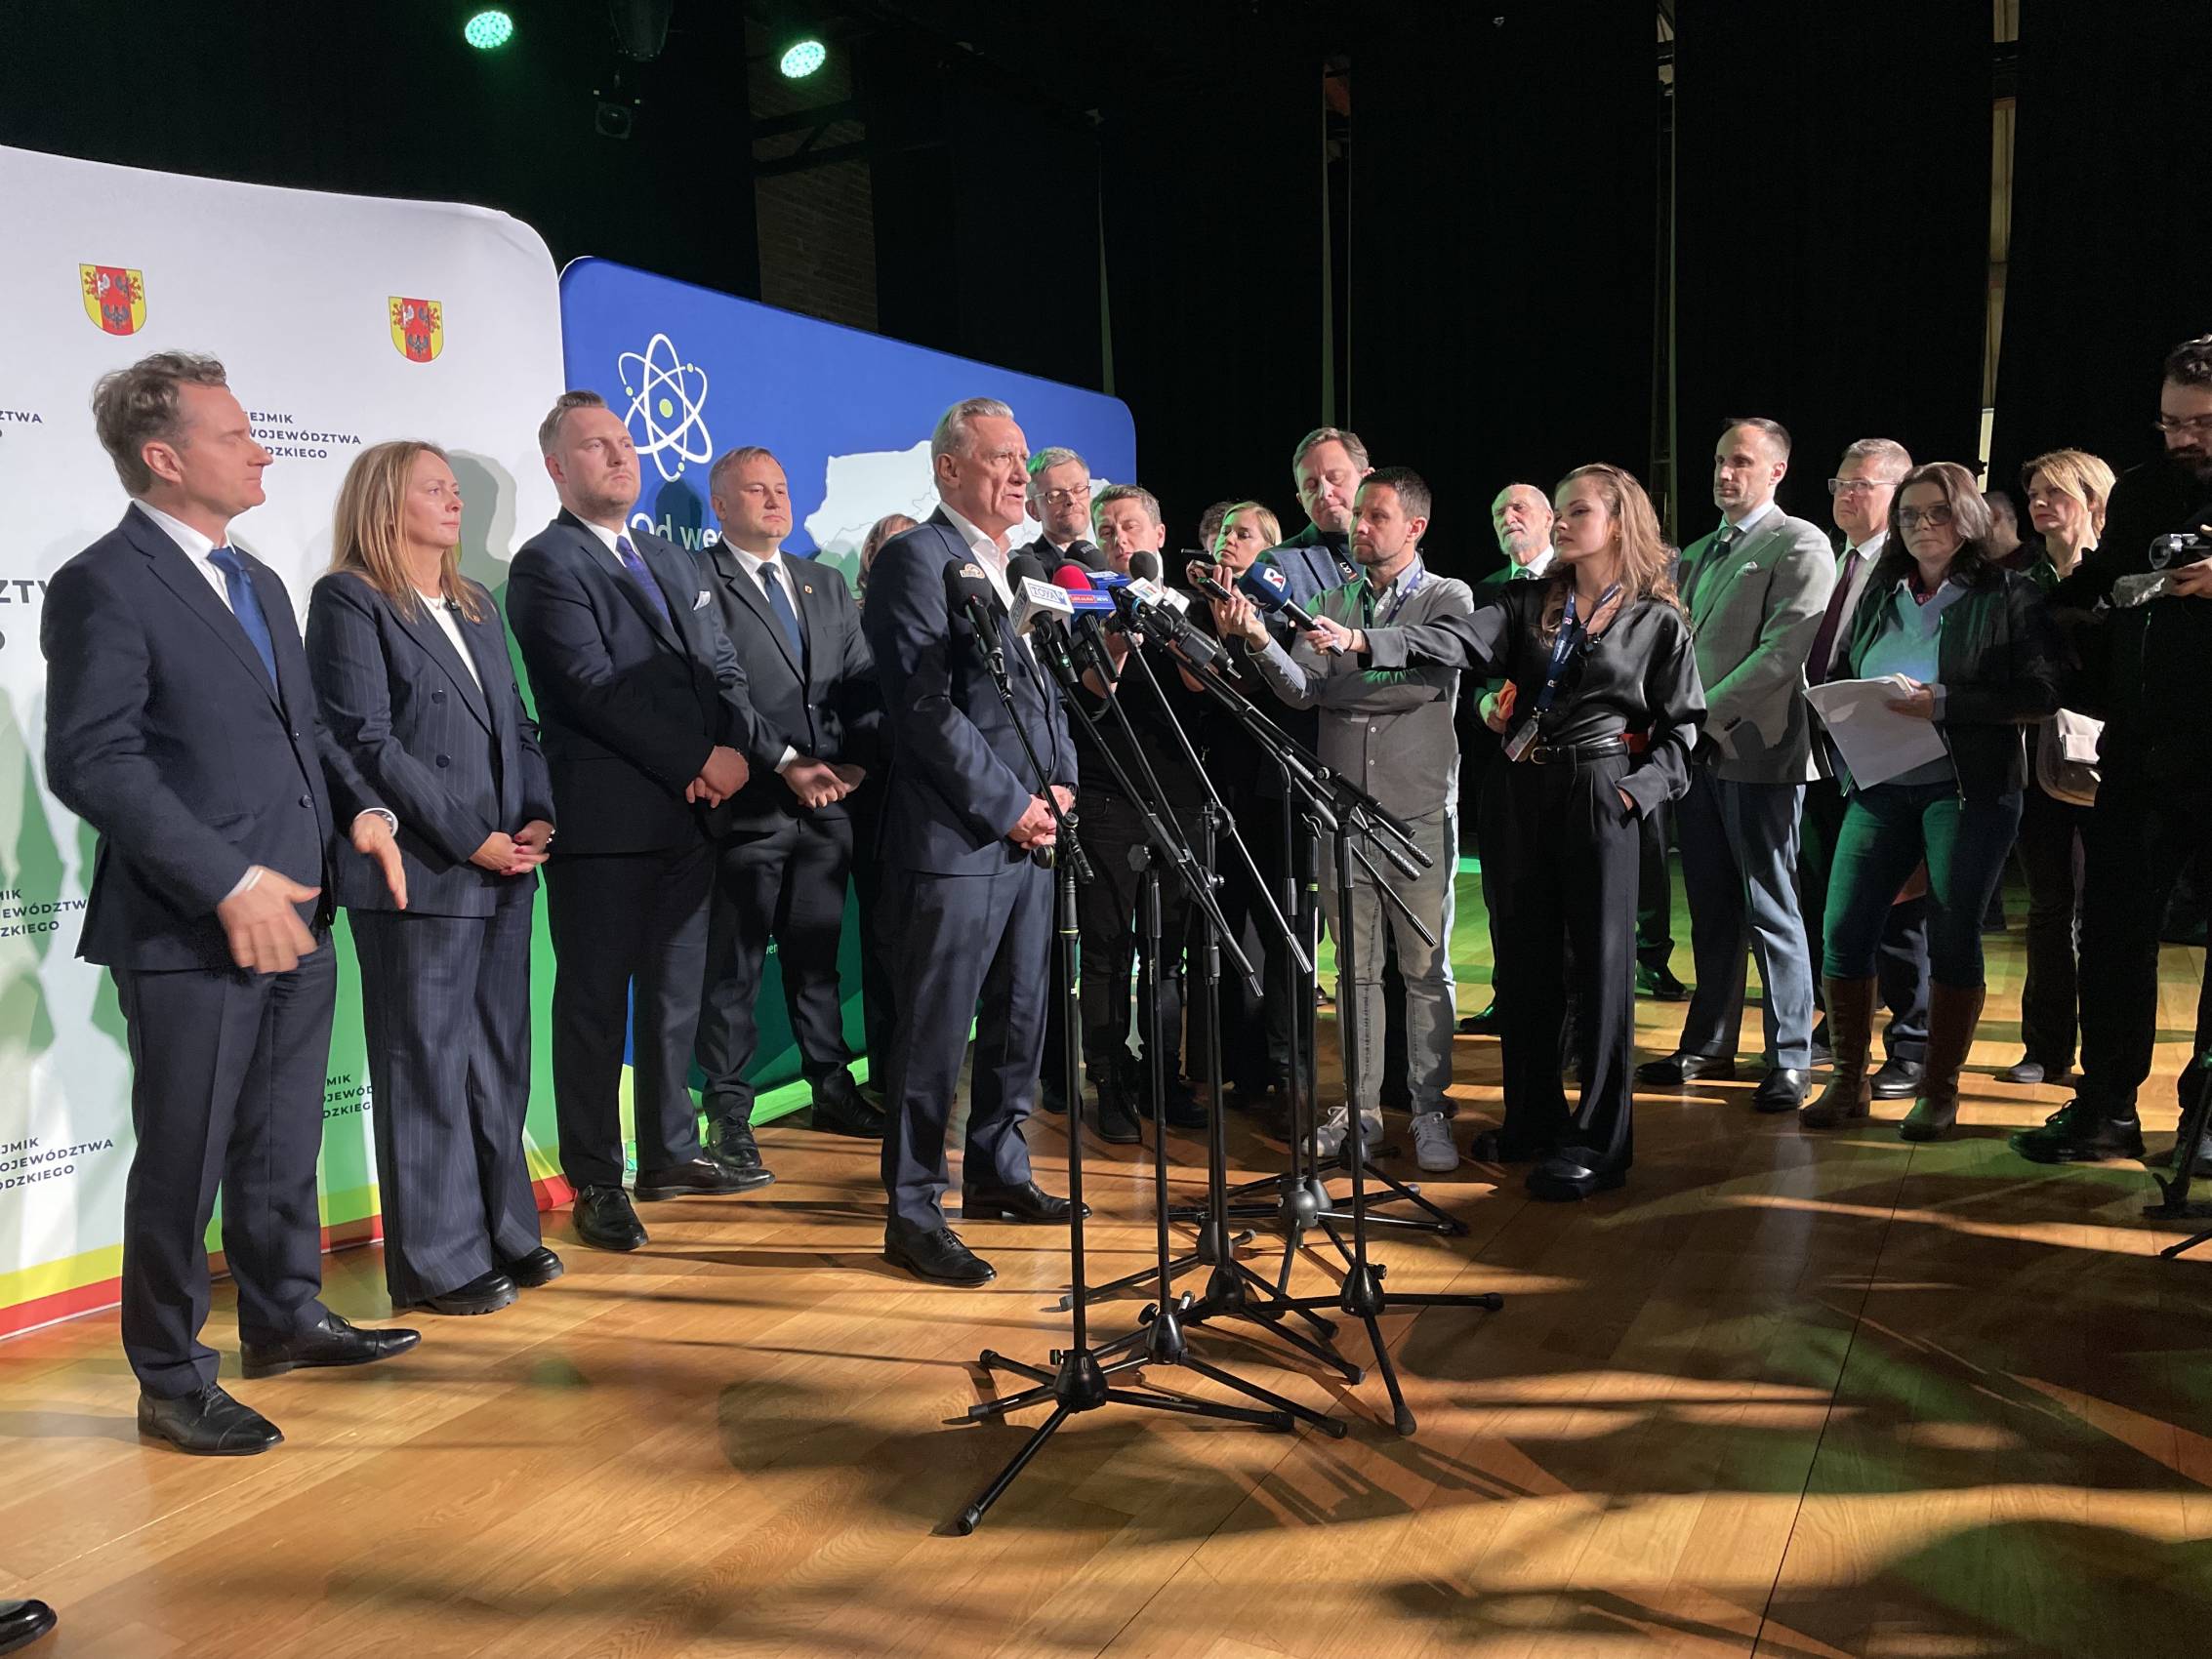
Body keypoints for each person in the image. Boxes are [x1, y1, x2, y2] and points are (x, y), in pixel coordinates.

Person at [42, 352, 419, 1456]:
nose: (262, 452)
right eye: (235, 435)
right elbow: (93, 760)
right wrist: (226, 879)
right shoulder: (103, 581)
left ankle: (285, 1316)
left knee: (280, 1138)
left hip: (300, 910)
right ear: (164, 458)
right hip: (190, 929)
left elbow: (308, 735)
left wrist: (362, 812)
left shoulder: (256, 579)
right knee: (184, 1159)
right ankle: (170, 1378)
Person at [1303, 465, 1703, 1198]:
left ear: (1619, 523)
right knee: (1522, 966)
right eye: (1561, 511)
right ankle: (1533, 1120)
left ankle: (1600, 1144)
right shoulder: (1528, 600)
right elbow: (1452, 640)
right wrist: (1365, 640)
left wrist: (1633, 794)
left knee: (1602, 973)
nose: (1561, 523)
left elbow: (1683, 732)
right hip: (1520, 791)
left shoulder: (1657, 619)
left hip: (1599, 790)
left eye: (1577, 511)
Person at [506, 391, 783, 1255]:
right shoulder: (545, 564)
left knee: (673, 997)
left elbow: (722, 665)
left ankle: (668, 1154)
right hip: (607, 824)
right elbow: (592, 688)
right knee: (594, 1006)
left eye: (625, 441)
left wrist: (733, 750)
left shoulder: (669, 555)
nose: (621, 455)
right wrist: (699, 759)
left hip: (692, 818)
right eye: (596, 446)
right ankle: (596, 1177)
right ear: (557, 468)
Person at [306, 441, 560, 1316]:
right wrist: (468, 837)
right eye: (435, 489)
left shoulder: (476, 603)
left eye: (456, 488)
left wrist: (537, 814)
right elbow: (365, 741)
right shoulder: (350, 599)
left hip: (505, 865)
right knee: (426, 1069)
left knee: (499, 1060)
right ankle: (436, 1261)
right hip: (419, 871)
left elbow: (518, 725)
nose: (455, 501)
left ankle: (505, 1229)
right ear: (386, 502)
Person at [864, 397, 1080, 1284]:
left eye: (1023, 457)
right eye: (1002, 457)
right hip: (957, 838)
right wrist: (1009, 805)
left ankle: (998, 1170)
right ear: (949, 469)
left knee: (1021, 1015)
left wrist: (1061, 783)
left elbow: (1046, 695)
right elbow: (923, 709)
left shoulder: (1017, 565)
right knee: (935, 1033)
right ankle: (914, 1211)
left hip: (1032, 831)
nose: (1021, 474)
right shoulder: (916, 559)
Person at [1213, 467, 1473, 1173]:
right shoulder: (1328, 599)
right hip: (1342, 815)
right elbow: (1302, 692)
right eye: (1358, 514)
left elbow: (1425, 682)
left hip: (1417, 812)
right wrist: (1259, 641)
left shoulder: (1448, 597)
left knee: (1425, 968)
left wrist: (1346, 679)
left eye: (1375, 516)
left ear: (1414, 527)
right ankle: (1359, 1109)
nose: (1359, 526)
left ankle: (1428, 1108)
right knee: (1354, 971)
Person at [1808, 463, 2058, 1140]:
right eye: (1910, 514)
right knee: (1843, 930)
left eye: (1938, 512)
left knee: (1952, 934)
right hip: (1881, 782)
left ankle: (1938, 1090)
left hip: (1967, 789)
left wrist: (1943, 703)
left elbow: (2039, 695)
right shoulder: (1883, 589)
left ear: (1967, 518)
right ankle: (1848, 1081)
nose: (1922, 525)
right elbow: (1843, 670)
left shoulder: (2009, 593)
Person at [2015, 337, 2212, 1168]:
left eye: (2201, 424)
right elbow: (2101, 589)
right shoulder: (2142, 490)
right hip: (2140, 749)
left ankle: (2206, 1124)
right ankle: (2106, 1106)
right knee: (2113, 933)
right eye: (2170, 422)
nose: (2183, 439)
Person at [1639, 418, 1834, 1113]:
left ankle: (1790, 1057)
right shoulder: (1696, 552)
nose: (1726, 473)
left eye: (1743, 462)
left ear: (1777, 470)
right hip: (1697, 757)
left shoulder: (1800, 541)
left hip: (1759, 749)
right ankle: (1708, 1042)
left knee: (1771, 906)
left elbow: (1783, 653)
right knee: (1711, 906)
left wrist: (1698, 719)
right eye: (1721, 460)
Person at [695, 446, 883, 1161]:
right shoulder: (699, 581)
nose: (776, 500)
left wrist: (857, 763)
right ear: (720, 506)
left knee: (817, 962)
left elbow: (861, 681)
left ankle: (831, 1088)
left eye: (781, 487)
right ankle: (729, 1116)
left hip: (828, 806)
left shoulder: (822, 582)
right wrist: (785, 762)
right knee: (735, 968)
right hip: (747, 808)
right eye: (757, 490)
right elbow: (718, 689)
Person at [1795, 438, 1933, 1125]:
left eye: (1864, 484)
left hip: (1895, 755)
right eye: (1840, 482)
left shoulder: (1906, 571)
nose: (1847, 494)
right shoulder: (1832, 559)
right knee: (1835, 901)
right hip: (1827, 750)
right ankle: (1845, 1028)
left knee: (1902, 906)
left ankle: (1912, 1043)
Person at [1071, 483, 1209, 1140]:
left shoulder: (1187, 608)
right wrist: (1119, 637)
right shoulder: (1081, 607)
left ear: (1158, 536)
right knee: (1105, 951)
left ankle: (1163, 1077)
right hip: (1108, 799)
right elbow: (1091, 695)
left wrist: (1166, 620)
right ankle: (1109, 1081)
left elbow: (1206, 685)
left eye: (1129, 527)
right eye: (1106, 530)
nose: (1118, 539)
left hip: (1180, 802)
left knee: (1168, 954)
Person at [1999, 447, 2114, 1086]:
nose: (2040, 504)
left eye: (2056, 493)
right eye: (2034, 494)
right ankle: (2045, 1048)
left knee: (2103, 914)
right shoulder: (2020, 579)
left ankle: (2106, 1054)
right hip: (2036, 760)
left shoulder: (2121, 578)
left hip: (2108, 759)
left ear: (2093, 501)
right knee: (2048, 906)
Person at [1186, 501, 1302, 1111]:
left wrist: (1243, 631)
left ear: (1270, 553)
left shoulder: (1280, 615)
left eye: (1245, 533)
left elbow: (1271, 690)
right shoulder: (1194, 609)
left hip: (1270, 792)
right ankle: (1233, 1070)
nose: (1229, 540)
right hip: (1214, 789)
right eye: (1226, 531)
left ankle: (1286, 1072)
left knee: (1280, 933)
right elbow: (1195, 685)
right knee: (1223, 931)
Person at [850, 511, 914, 1109]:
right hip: (873, 799)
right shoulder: (853, 617)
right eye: (888, 547)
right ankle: (888, 1078)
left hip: (931, 800)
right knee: (884, 944)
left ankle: (924, 1072)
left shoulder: (942, 614)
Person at [1265, 426, 1370, 602]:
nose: (1324, 492)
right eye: (1311, 486)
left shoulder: (1402, 553)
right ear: (1301, 501)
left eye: (1335, 478)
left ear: (1367, 480)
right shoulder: (1279, 564)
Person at [855, 511, 916, 612]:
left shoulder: (933, 611)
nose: (905, 549)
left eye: (912, 542)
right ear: (871, 552)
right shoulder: (851, 615)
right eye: (895, 539)